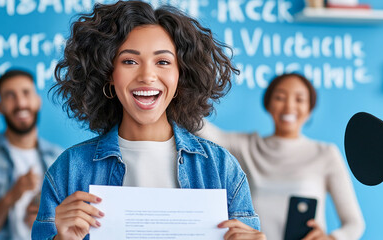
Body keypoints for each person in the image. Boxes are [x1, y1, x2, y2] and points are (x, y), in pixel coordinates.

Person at [31, 1, 266, 240]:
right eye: (129, 61)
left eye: (163, 62)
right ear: (108, 74)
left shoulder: (220, 168)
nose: (147, 76)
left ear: (180, 76)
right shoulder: (69, 170)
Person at [198, 73, 365, 240]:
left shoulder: (325, 154)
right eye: (280, 97)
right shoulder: (246, 147)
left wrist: (331, 239)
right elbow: (202, 129)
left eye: (299, 99)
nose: (289, 106)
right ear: (268, 103)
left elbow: (354, 224)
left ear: (310, 108)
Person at [0, 69, 63, 239]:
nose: (20, 103)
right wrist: (14, 193)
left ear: (38, 101)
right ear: (0, 107)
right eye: (10, 95)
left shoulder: (58, 156)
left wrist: (46, 222)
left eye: (26, 93)